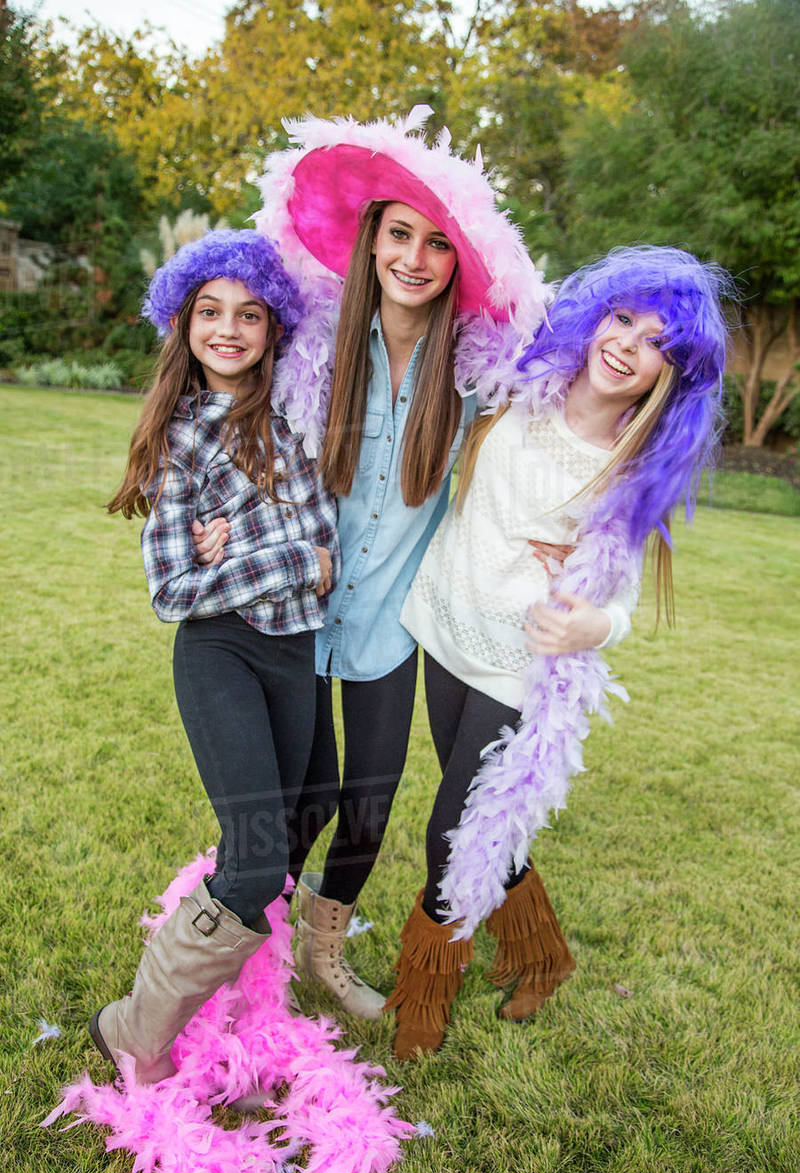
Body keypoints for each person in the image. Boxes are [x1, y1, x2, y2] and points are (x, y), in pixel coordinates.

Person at [192, 108, 551, 1020]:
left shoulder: (474, 372)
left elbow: (557, 433)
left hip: (393, 624)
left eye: (437, 244)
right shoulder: (312, 343)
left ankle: (326, 949)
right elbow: (222, 396)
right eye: (400, 234)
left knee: (370, 802)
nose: (415, 258)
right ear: (371, 240)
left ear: (456, 266)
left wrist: (580, 530)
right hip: (292, 615)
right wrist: (207, 516)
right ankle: (246, 945)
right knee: (288, 807)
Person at [386, 244, 731, 1060]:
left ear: (667, 375)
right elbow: (461, 306)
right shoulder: (519, 383)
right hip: (445, 621)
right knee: (484, 818)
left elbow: (617, 605)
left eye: (657, 342)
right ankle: (544, 955)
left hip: (520, 660)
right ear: (592, 318)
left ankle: (424, 992)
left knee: (454, 830)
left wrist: (591, 627)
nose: (628, 344)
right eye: (621, 319)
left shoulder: (631, 467)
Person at [93, 229, 339, 1084]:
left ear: (275, 329)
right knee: (256, 854)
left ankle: (245, 982)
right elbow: (172, 590)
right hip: (221, 656)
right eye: (209, 311)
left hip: (294, 652)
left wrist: (232, 557)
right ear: (183, 322)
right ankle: (132, 1026)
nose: (229, 328)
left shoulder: (296, 415)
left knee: (309, 813)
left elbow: (328, 532)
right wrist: (290, 562)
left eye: (250, 313)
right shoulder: (182, 437)